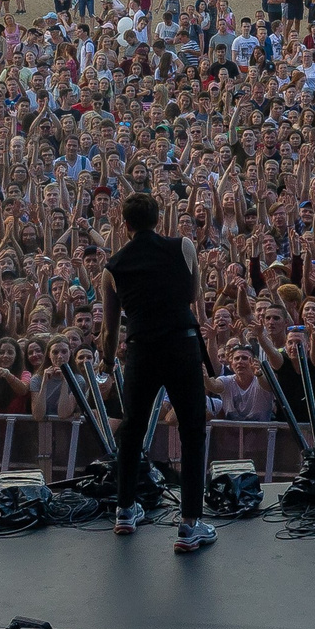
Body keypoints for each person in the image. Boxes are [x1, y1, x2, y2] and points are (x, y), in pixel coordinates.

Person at [101, 190, 214, 551]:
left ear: (125, 223)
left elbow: (109, 329)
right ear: (158, 219)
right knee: (193, 428)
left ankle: (124, 510)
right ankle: (190, 523)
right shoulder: (183, 246)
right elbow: (193, 294)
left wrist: (106, 361)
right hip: (181, 344)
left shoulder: (113, 267)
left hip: (142, 349)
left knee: (132, 429)